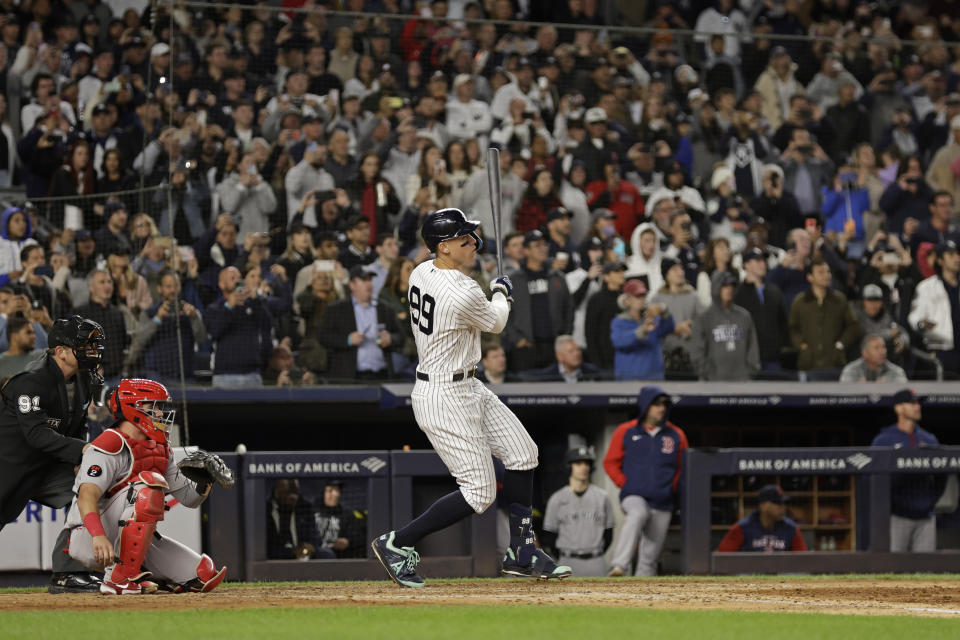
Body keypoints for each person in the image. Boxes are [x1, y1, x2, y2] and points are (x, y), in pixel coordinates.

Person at [370, 208, 571, 589]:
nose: (474, 243)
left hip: (466, 384)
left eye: (473, 236)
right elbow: (497, 322)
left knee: (524, 452)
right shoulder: (459, 291)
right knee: (478, 493)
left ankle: (522, 551)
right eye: (464, 239)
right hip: (443, 395)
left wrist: (488, 287)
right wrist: (501, 292)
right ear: (443, 247)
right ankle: (398, 542)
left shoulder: (421, 270)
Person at [63, 378, 228, 594]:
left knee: (202, 573)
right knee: (148, 487)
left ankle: (142, 574)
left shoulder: (160, 447)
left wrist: (205, 481)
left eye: (161, 407)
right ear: (133, 407)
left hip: (129, 541)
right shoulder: (110, 442)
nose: (160, 413)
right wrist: (98, 536)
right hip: (92, 536)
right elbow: (86, 496)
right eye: (154, 407)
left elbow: (189, 499)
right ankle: (118, 580)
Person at [0, 316, 105, 593]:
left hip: (45, 469)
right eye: (83, 344)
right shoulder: (29, 382)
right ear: (60, 351)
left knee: (91, 487)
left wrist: (78, 460)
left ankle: (68, 572)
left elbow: (78, 426)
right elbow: (37, 435)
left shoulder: (84, 381)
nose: (91, 350)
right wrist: (81, 450)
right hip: (8, 467)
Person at [603, 386, 688, 576]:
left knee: (650, 557)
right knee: (638, 514)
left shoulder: (676, 435)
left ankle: (643, 598)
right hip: (634, 495)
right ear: (645, 406)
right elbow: (610, 463)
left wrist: (671, 488)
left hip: (663, 500)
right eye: (656, 404)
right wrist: (625, 484)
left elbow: (683, 468)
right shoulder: (626, 431)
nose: (661, 408)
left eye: (664, 404)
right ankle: (619, 565)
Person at [871, 389, 945, 552]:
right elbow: (875, 480)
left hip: (925, 517)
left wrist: (931, 501)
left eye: (918, 403)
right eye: (912, 403)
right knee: (893, 569)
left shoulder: (928, 439)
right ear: (898, 408)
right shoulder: (884, 440)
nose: (917, 407)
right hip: (896, 516)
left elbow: (942, 474)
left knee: (926, 570)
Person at [503, 230, 573, 372]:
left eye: (544, 245)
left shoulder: (557, 277)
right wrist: (517, 339)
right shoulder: (513, 280)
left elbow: (569, 308)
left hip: (554, 346)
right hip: (526, 347)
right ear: (526, 251)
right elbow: (503, 312)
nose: (543, 248)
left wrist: (565, 334)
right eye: (537, 245)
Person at [541, 446, 615, 577]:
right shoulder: (557, 499)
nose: (584, 467)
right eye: (578, 463)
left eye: (587, 463)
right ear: (569, 466)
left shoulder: (602, 497)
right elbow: (549, 536)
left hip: (596, 561)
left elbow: (608, 534)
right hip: (567, 561)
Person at [318, 264, 401, 382]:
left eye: (370, 280)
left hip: (382, 376)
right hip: (350, 378)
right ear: (352, 285)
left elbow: (401, 337)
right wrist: (347, 340)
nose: (369, 284)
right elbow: (323, 337)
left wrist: (390, 338)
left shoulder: (385, 309)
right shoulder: (337, 309)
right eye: (364, 280)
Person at [788, 258, 861, 375]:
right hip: (808, 364)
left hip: (835, 363)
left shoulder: (839, 299)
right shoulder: (800, 302)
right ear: (810, 277)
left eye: (828, 271)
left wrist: (841, 344)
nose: (826, 275)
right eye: (821, 272)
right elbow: (792, 328)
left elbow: (853, 326)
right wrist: (802, 346)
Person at [205, 266, 274, 388]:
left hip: (252, 374)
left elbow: (267, 324)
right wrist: (230, 306)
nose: (237, 281)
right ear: (222, 284)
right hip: (225, 375)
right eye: (232, 278)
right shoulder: (215, 308)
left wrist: (255, 299)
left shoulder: (253, 304)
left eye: (239, 278)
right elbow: (215, 332)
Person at [690, 272, 760, 381]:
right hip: (713, 382)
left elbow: (752, 346)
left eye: (731, 286)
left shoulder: (744, 316)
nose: (729, 289)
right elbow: (696, 352)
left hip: (742, 379)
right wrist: (707, 373)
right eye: (724, 286)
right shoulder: (704, 318)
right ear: (716, 288)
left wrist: (751, 369)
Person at [908, 240, 960, 375]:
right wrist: (921, 324)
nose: (957, 258)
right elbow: (915, 317)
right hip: (941, 349)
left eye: (958, 254)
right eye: (951, 255)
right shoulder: (926, 287)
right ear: (941, 260)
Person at [734, 248, 788, 372]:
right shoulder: (738, 294)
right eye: (757, 261)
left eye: (763, 261)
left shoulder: (774, 291)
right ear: (746, 265)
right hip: (747, 358)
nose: (762, 264)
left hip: (772, 358)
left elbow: (782, 322)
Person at [611, 279, 675, 380]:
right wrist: (642, 331)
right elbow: (619, 341)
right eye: (637, 296)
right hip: (628, 379)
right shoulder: (619, 322)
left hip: (654, 377)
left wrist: (664, 311)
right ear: (626, 300)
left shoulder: (652, 319)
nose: (641, 299)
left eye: (643, 296)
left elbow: (669, 328)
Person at [717, 485, 808, 552]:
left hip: (781, 576)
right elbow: (722, 559)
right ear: (763, 506)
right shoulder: (742, 528)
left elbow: (804, 561)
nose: (783, 507)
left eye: (784, 504)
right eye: (778, 504)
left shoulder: (791, 529)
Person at [73, 269, 127, 380]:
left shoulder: (118, 314)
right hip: (88, 377)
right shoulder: (80, 314)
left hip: (116, 376)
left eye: (109, 282)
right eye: (102, 282)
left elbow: (123, 344)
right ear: (91, 287)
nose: (107, 286)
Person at [267, 479, 323, 560]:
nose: (293, 497)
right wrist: (293, 552)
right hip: (275, 555)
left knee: (326, 554)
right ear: (277, 492)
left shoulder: (305, 508)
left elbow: (315, 537)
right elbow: (267, 545)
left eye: (295, 492)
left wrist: (309, 547)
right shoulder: (266, 510)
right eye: (287, 492)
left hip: (303, 555)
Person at [314, 479, 366, 559]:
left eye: (337, 490)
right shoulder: (312, 512)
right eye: (330, 491)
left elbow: (359, 538)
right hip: (313, 559)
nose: (336, 494)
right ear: (322, 493)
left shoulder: (346, 514)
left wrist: (348, 542)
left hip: (339, 560)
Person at [523, 334, 602, 382]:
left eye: (578, 350)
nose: (577, 354)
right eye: (571, 351)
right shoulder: (547, 376)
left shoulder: (592, 373)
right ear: (559, 356)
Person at [840, 333, 908, 383]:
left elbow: (904, 396)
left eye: (883, 347)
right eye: (876, 348)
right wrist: (858, 389)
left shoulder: (896, 372)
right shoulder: (851, 370)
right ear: (865, 353)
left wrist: (887, 389)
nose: (882, 352)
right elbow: (842, 394)